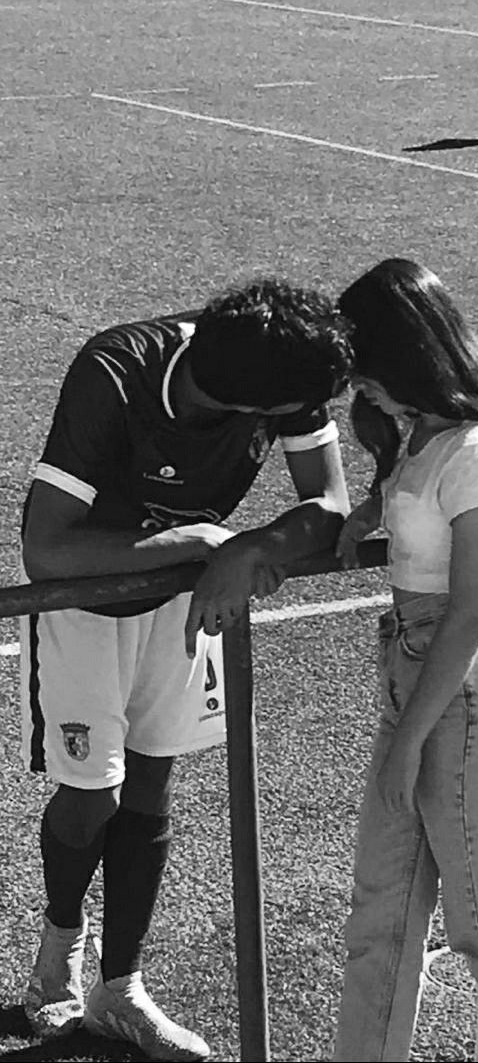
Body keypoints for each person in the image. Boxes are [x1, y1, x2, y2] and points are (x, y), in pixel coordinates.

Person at [20, 279, 353, 1061]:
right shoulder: (117, 368)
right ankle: (55, 964)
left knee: (150, 782)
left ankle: (121, 989)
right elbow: (48, 549)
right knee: (91, 796)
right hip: (84, 604)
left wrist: (254, 547)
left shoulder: (278, 368)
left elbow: (331, 503)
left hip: (187, 599)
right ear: (251, 415)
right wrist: (202, 541)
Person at [332, 258, 478, 1063]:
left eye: (363, 362)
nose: (355, 382)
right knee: (378, 919)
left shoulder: (477, 449)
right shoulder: (419, 436)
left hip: (462, 694)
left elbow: (468, 615)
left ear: (405, 354)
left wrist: (407, 743)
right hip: (417, 679)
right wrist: (366, 508)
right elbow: (415, 512)